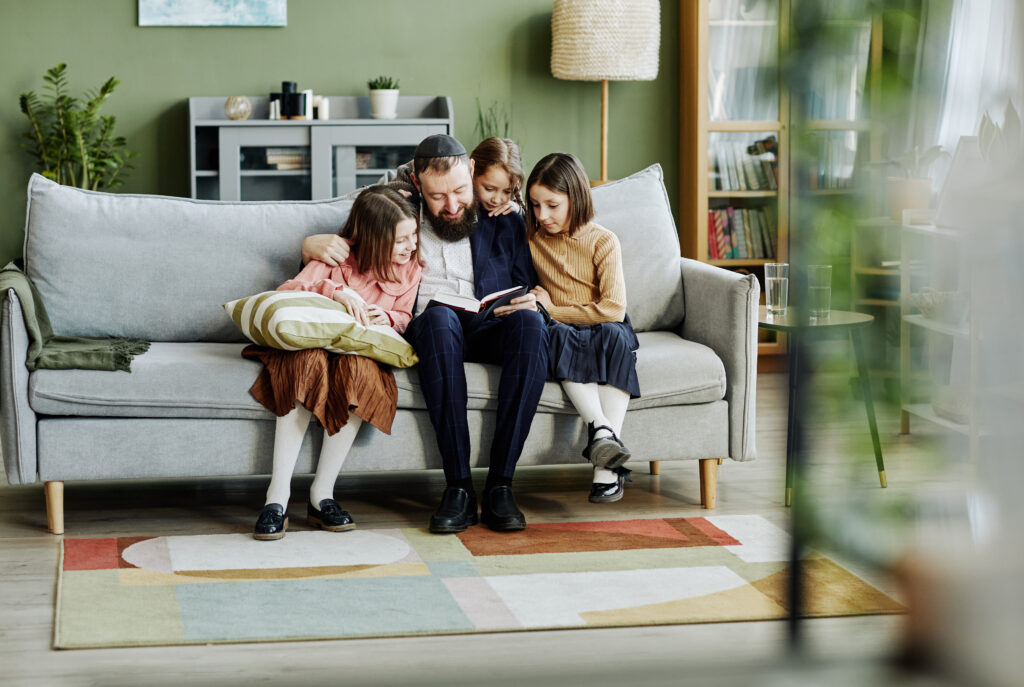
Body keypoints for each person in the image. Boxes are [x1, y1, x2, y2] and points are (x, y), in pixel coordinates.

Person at [301, 134, 548, 534]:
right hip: (434, 326)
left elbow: (532, 273)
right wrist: (309, 244)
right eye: (437, 197)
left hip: (491, 320)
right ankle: (459, 487)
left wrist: (534, 299)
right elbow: (355, 232)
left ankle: (502, 484)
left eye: (460, 191)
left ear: (471, 172)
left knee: (532, 324)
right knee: (437, 319)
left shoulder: (504, 214)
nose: (451, 206)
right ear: (417, 185)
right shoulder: (399, 208)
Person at [248, 186, 423, 540]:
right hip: (310, 349)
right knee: (304, 365)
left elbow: (405, 316)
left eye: (414, 236)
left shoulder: (410, 270)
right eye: (401, 240)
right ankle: (277, 498)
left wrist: (387, 317)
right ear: (372, 239)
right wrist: (335, 291)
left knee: (360, 373)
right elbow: (285, 295)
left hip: (358, 352)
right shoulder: (335, 258)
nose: (411, 246)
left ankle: (321, 495)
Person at [525, 152, 641, 503]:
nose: (542, 215)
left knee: (614, 334)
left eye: (552, 205)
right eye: (534, 205)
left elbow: (613, 308)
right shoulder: (532, 236)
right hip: (563, 329)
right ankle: (602, 431)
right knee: (557, 334)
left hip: (602, 323)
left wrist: (555, 309)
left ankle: (604, 462)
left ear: (575, 198)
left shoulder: (603, 241)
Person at [470, 137, 526, 216]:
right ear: (472, 173)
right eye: (489, 189)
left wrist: (518, 210)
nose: (496, 200)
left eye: (507, 191)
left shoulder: (515, 214)